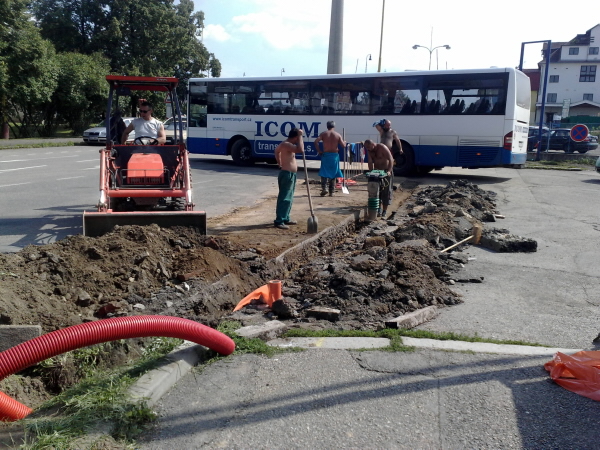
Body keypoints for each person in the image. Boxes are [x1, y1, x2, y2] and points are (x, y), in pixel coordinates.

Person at [274, 128, 304, 229]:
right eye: (297, 138)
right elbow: (300, 149)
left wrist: (279, 162)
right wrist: (300, 136)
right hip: (287, 174)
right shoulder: (286, 144)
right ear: (295, 137)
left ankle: (285, 217)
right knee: (285, 197)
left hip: (290, 174)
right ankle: (279, 220)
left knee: (289, 197)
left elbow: (276, 151)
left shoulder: (285, 144)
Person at [363, 139, 394, 218]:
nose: (368, 149)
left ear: (373, 144)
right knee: (377, 191)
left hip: (386, 171)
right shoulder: (369, 151)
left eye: (369, 147)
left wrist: (389, 171)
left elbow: (391, 159)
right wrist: (371, 172)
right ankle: (378, 209)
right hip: (377, 172)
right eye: (367, 148)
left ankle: (384, 211)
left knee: (386, 192)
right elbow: (370, 162)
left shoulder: (382, 147)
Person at [314, 120, 346, 196]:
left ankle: (324, 188)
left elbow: (315, 142)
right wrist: (344, 141)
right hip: (334, 155)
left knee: (324, 172)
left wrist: (319, 151)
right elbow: (343, 146)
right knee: (333, 173)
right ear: (334, 126)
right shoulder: (337, 135)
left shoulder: (324, 134)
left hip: (326, 155)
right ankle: (332, 191)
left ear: (327, 126)